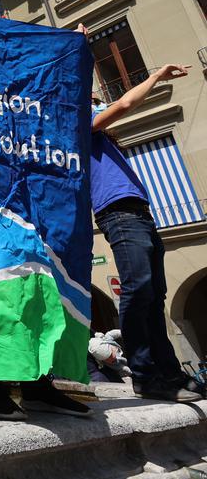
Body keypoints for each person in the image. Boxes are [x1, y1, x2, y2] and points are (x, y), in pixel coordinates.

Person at [79, 24, 202, 401]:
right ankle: (146, 375)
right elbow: (125, 104)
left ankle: (170, 375)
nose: (96, 100)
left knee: (155, 296)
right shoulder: (74, 121)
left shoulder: (97, 128)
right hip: (117, 214)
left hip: (140, 213)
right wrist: (83, 50)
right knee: (138, 291)